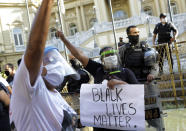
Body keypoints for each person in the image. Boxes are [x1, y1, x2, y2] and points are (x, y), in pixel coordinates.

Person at [9, 0, 78, 130]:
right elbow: (34, 49)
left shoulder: (54, 92)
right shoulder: (27, 88)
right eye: (49, 61)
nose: (56, 67)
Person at [57, 31, 139, 131]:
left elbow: (137, 94)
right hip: (102, 123)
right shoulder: (97, 70)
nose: (110, 57)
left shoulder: (126, 72)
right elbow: (79, 55)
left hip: (123, 122)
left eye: (112, 55)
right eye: (107, 56)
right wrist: (64, 39)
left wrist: (120, 84)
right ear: (102, 60)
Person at [119, 25, 165, 131]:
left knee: (154, 112)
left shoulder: (146, 47)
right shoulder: (123, 50)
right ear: (128, 35)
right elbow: (119, 67)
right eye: (134, 33)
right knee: (133, 113)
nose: (137, 34)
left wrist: (152, 74)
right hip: (131, 86)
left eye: (138, 32)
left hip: (147, 85)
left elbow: (155, 65)